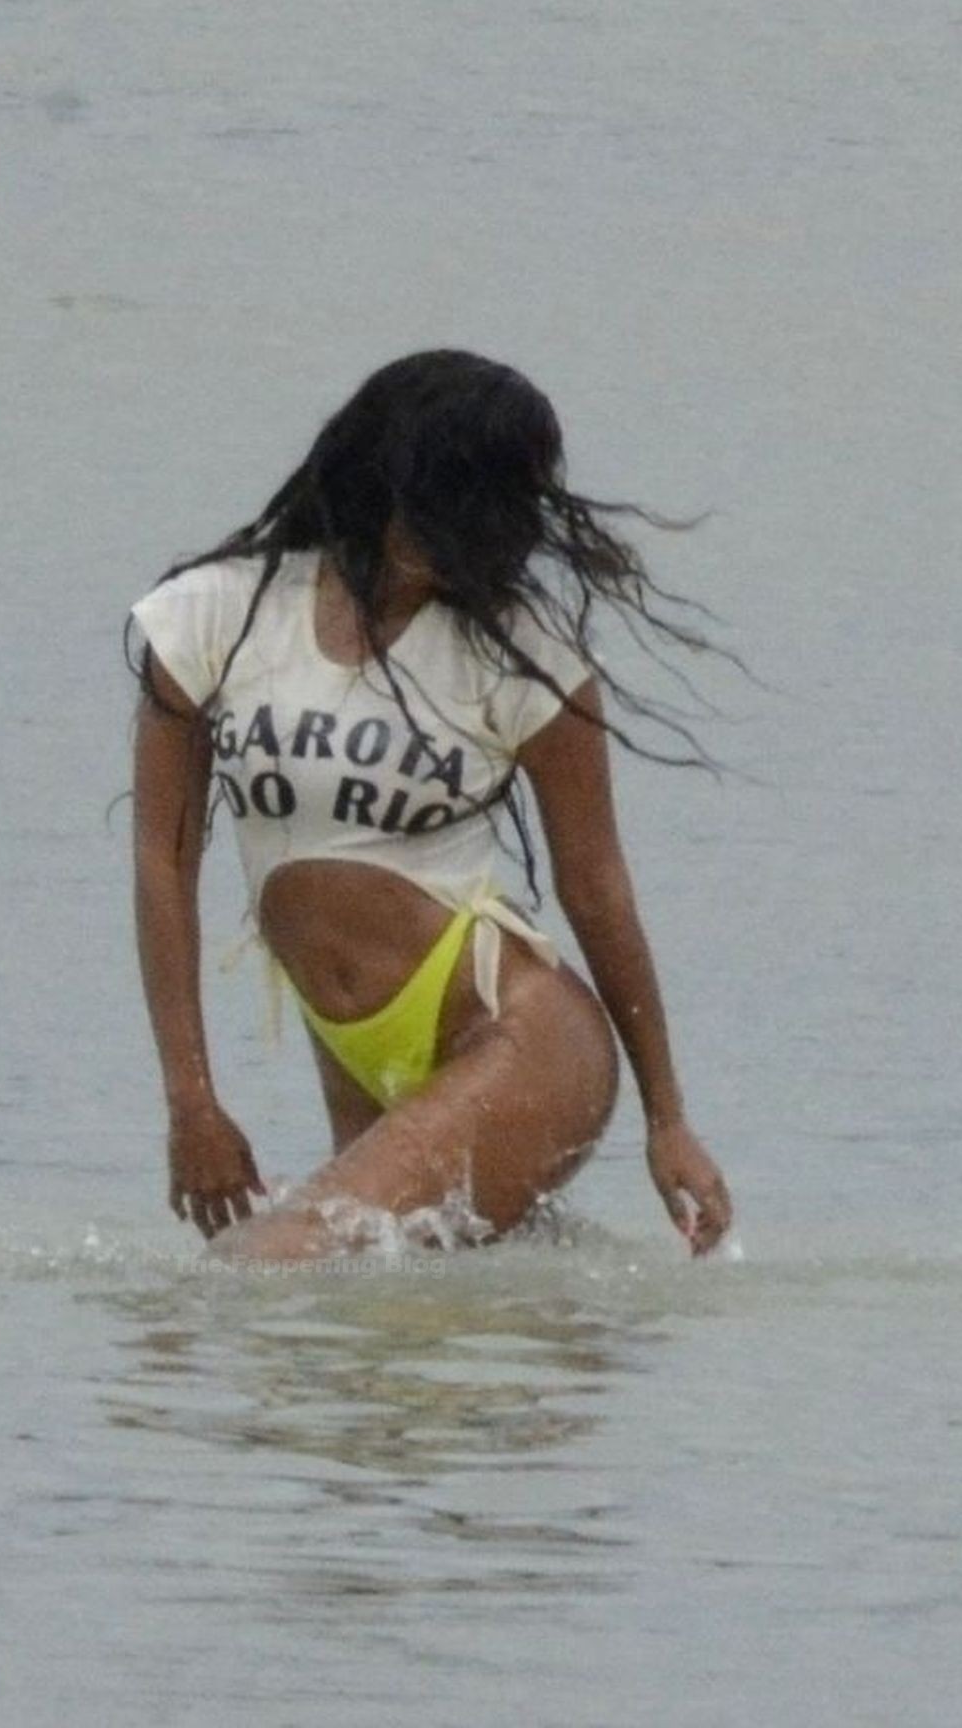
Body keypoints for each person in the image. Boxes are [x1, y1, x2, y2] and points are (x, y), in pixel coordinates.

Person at [128, 350, 733, 1262]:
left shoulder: (525, 656)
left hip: (521, 1035)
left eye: (487, 511)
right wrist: (191, 1101)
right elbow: (162, 863)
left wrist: (668, 1120)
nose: (459, 536)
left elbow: (596, 887)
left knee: (264, 1266)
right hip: (354, 1050)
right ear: (378, 476)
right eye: (444, 501)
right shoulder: (216, 616)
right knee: (386, 1338)